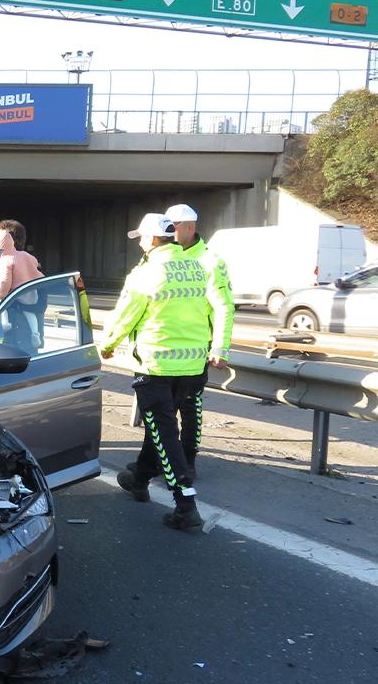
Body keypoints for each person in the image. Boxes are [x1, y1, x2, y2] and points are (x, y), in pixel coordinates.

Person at [101, 213, 212, 531]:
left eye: (140, 238)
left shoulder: (145, 273)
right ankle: (138, 478)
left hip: (157, 364)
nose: (139, 243)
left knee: (165, 432)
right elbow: (211, 310)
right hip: (193, 365)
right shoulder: (197, 266)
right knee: (159, 427)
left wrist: (107, 345)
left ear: (151, 240)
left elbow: (126, 315)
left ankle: (185, 504)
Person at [164, 203, 233, 479]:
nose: (169, 232)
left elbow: (224, 306)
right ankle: (164, 461)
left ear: (190, 227)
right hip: (161, 351)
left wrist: (220, 346)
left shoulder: (210, 261)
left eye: (174, 227)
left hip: (193, 352)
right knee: (160, 414)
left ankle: (187, 462)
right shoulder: (160, 256)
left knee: (190, 409)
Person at [0, 219, 43, 352]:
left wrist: (6, 299)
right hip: (25, 341)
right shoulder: (30, 262)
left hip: (17, 343)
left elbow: (3, 288)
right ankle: (35, 334)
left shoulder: (6, 262)